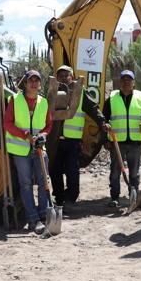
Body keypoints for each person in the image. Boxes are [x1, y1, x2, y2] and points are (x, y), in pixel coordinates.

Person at [49, 64, 105, 212]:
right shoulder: (53, 92)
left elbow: (93, 108)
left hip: (72, 141)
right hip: (55, 140)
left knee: (72, 171)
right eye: (60, 76)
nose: (63, 78)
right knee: (54, 170)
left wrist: (102, 122)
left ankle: (71, 198)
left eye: (66, 75)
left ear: (72, 77)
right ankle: (59, 198)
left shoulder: (80, 92)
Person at [3, 69, 52, 234]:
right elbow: (7, 123)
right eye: (31, 80)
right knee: (26, 185)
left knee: (44, 182)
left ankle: (44, 215)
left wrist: (43, 135)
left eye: (37, 80)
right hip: (20, 150)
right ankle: (33, 219)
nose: (34, 83)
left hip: (39, 149)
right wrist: (25, 135)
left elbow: (48, 125)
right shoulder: (15, 100)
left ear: (40, 84)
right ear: (25, 83)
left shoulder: (43, 102)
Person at [101, 70, 141, 208]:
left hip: (135, 142)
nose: (126, 82)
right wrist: (105, 139)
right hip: (117, 142)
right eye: (123, 79)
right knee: (115, 171)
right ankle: (114, 198)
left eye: (129, 79)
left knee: (134, 172)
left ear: (133, 82)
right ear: (120, 82)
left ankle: (133, 197)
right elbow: (104, 119)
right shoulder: (112, 99)